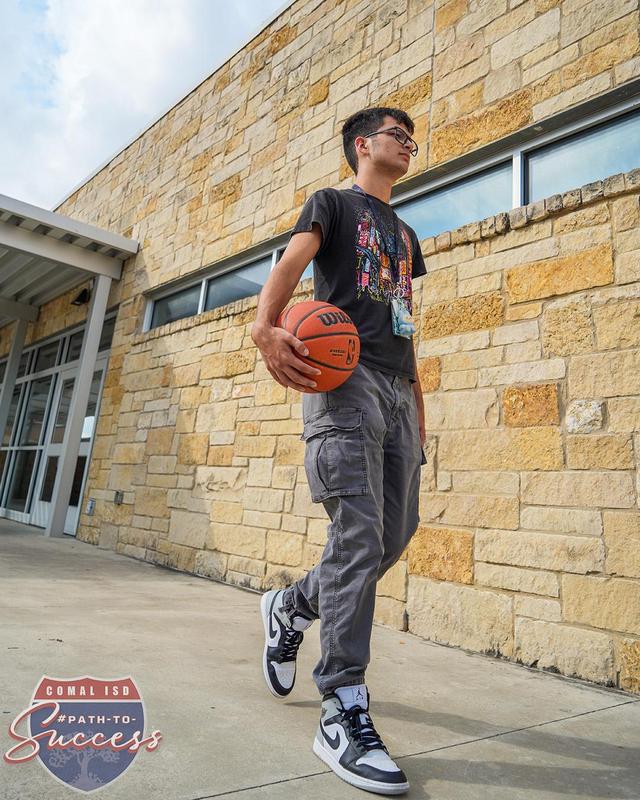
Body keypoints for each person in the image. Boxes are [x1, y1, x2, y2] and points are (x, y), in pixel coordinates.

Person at [251, 106, 427, 796]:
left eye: (412, 139)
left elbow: (406, 318)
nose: (408, 143)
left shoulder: (408, 234)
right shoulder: (331, 203)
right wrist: (265, 325)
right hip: (342, 378)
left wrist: (419, 405)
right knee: (357, 535)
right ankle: (342, 704)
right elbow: (292, 263)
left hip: (395, 390)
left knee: (393, 533)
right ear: (363, 145)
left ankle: (293, 605)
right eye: (396, 134)